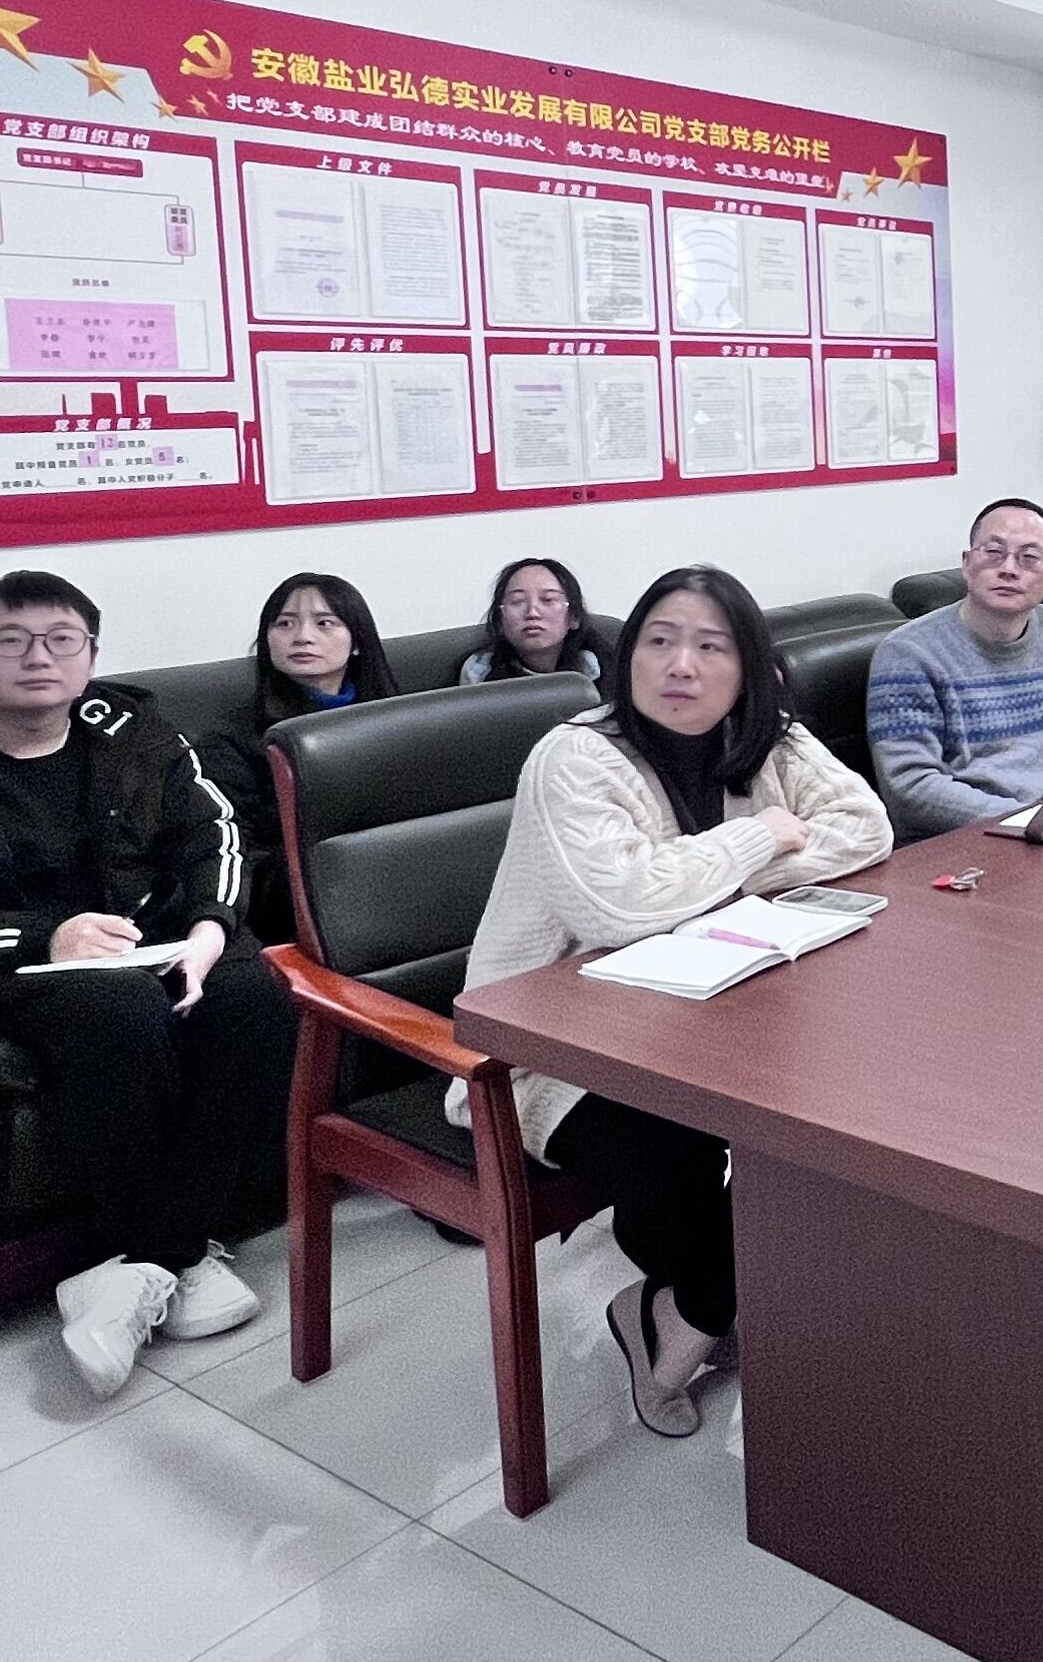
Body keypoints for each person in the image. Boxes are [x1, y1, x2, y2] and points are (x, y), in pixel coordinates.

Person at [0, 570, 300, 1396]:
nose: (39, 657)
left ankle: (151, 1260)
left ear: (90, 656)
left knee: (258, 993)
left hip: (139, 940)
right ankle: (178, 1255)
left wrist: (211, 928)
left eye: (61, 640)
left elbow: (213, 832)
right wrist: (45, 936)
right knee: (121, 1010)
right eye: (11, 641)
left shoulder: (135, 732)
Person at [459, 566, 890, 1435]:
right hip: (561, 1051)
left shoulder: (769, 739)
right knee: (691, 1172)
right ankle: (679, 1312)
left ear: (749, 668)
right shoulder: (575, 757)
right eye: (658, 641)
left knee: (845, 1131)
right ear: (627, 659)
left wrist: (706, 878)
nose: (680, 665)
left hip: (726, 1019)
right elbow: (620, 907)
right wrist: (757, 838)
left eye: (709, 646)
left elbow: (865, 828)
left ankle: (705, 1306)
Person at [864, 497, 1043, 835]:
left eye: (1029, 558)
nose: (1009, 569)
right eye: (993, 552)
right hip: (966, 836)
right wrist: (1029, 817)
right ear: (967, 563)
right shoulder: (908, 653)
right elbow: (910, 785)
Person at [190, 572, 402, 940]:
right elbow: (237, 857)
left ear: (356, 641)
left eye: (324, 623)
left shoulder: (395, 718)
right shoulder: (232, 740)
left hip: (398, 873)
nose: (302, 636)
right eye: (285, 623)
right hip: (295, 900)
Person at [458, 555, 607, 686]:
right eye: (517, 601)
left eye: (548, 599)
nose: (532, 613)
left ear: (574, 616)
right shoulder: (479, 671)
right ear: (499, 620)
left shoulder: (593, 667)